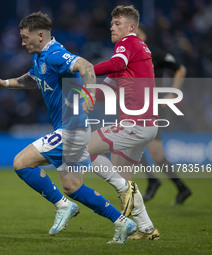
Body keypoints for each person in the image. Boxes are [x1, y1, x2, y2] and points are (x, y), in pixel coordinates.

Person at [0, 11, 136, 244]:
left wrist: (90, 93)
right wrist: (4, 83)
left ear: (41, 35)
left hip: (70, 129)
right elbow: (33, 78)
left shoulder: (55, 54)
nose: (23, 42)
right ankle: (122, 222)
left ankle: (63, 206)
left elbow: (85, 66)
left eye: (26, 38)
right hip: (71, 128)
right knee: (72, 186)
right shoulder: (40, 56)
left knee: (21, 163)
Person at [84, 5, 160, 240]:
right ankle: (147, 229)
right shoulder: (130, 57)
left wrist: (85, 70)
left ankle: (125, 189)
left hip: (135, 124)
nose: (112, 27)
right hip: (146, 126)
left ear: (131, 27)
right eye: (112, 23)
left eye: (117, 23)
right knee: (122, 177)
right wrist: (79, 95)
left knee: (84, 149)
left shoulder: (129, 43)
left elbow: (115, 65)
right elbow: (103, 91)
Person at [137, 25, 192, 204]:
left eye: (135, 33)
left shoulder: (155, 53)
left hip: (153, 106)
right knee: (151, 151)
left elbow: (180, 68)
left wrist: (173, 92)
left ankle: (156, 182)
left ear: (143, 35)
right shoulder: (129, 55)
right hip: (136, 106)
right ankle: (179, 187)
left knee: (153, 153)